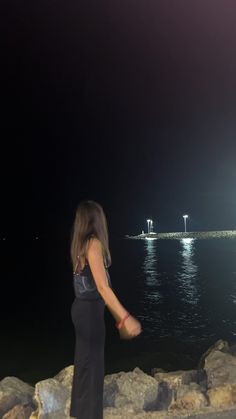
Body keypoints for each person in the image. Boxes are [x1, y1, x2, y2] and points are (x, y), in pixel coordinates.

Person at [69, 200, 142, 419]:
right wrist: (125, 317)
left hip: (81, 310)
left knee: (84, 365)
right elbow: (102, 287)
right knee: (93, 370)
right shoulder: (93, 244)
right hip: (90, 314)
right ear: (97, 220)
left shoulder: (79, 245)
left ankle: (79, 413)